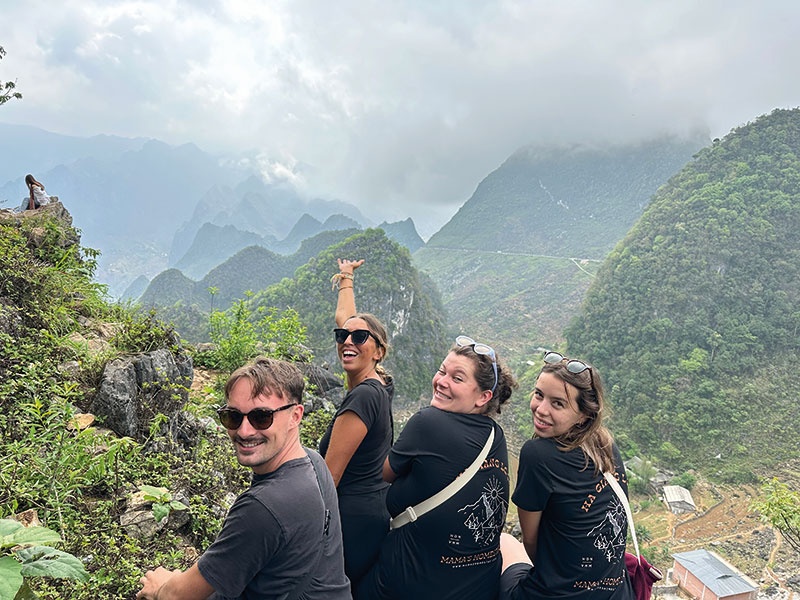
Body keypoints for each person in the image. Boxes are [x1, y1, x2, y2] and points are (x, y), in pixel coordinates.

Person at [137, 357, 351, 600]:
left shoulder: (264, 507)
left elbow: (178, 596)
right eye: (233, 416)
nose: (244, 431)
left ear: (295, 416)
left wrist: (161, 585)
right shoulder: (314, 462)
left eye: (261, 417)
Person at [356, 335, 518, 600]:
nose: (441, 381)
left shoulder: (427, 422)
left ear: (483, 397)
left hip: (408, 585)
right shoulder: (495, 435)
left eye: (457, 378)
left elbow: (384, 473)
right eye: (442, 371)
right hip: (477, 588)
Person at [499, 352, 634, 600]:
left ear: (584, 415)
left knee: (506, 541)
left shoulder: (537, 454)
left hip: (554, 594)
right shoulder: (606, 444)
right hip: (618, 592)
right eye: (539, 395)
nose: (541, 409)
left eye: (558, 403)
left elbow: (530, 542)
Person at [319, 258, 394, 589]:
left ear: (378, 350)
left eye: (359, 338)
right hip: (373, 513)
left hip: (351, 521)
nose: (347, 342)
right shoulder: (380, 383)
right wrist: (346, 278)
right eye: (341, 337)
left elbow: (329, 477)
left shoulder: (363, 397)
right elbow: (347, 321)